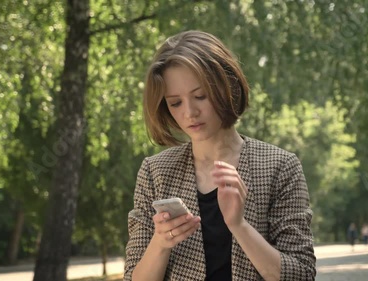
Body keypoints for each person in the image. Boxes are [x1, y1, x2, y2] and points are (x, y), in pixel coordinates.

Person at [123, 30, 316, 281]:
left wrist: (239, 225)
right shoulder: (155, 171)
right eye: (175, 103)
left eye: (200, 96)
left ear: (226, 86)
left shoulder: (280, 166)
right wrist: (160, 243)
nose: (189, 112)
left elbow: (301, 275)